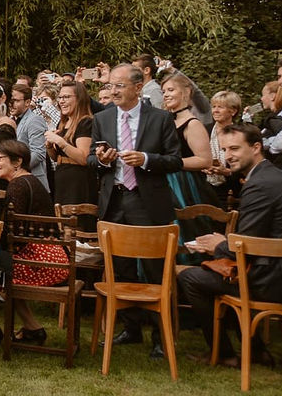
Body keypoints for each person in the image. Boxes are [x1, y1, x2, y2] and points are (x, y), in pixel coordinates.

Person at [177, 123, 282, 368]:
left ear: (256, 147)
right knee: (215, 274)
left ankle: (224, 353)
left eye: (234, 148)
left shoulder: (261, 184)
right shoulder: (273, 177)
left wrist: (218, 244)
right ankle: (255, 351)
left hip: (274, 281)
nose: (228, 155)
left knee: (192, 277)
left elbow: (243, 246)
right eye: (224, 149)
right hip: (280, 272)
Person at [88, 63, 182, 358]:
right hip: (114, 200)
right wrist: (102, 159)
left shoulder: (161, 118)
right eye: (111, 86)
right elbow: (92, 160)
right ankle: (131, 328)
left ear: (138, 87)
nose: (113, 91)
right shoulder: (102, 119)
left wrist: (145, 158)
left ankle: (160, 335)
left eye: (119, 85)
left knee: (155, 270)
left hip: (146, 201)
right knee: (119, 268)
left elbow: (175, 161)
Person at [0, 139, 68, 344]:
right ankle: (33, 328)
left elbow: (12, 235)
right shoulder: (30, 180)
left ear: (17, 162)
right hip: (55, 258)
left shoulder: (17, 185)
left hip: (43, 263)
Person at [161, 72, 218, 263]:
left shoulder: (193, 124)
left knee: (185, 231)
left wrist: (171, 162)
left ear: (185, 93)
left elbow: (205, 160)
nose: (166, 94)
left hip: (185, 185)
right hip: (163, 182)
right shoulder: (166, 121)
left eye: (171, 90)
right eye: (163, 91)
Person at [45, 81, 98, 221]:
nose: (62, 101)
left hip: (79, 182)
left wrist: (60, 142)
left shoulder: (86, 122)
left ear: (79, 99)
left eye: (66, 97)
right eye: (60, 98)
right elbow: (56, 158)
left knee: (77, 225)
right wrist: (50, 146)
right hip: (62, 177)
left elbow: (83, 158)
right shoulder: (62, 123)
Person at [204, 90, 243, 207]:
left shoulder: (241, 133)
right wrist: (203, 167)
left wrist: (228, 173)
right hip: (205, 189)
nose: (215, 110)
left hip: (231, 192)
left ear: (233, 111)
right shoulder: (204, 129)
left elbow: (246, 165)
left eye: (220, 107)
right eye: (213, 106)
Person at [9, 83, 50, 191]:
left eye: (16, 101)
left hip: (34, 182)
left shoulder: (35, 120)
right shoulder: (10, 120)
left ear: (27, 102)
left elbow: (38, 153)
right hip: (15, 181)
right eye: (11, 100)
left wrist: (16, 169)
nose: (12, 104)